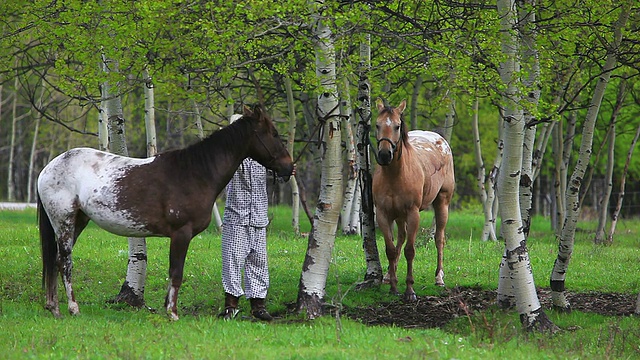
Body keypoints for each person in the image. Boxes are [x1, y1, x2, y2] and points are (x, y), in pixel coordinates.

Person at [218, 114, 273, 322]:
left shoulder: (261, 154)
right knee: (232, 260)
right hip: (237, 216)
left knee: (258, 260)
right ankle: (230, 306)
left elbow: (275, 166)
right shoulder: (229, 156)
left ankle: (258, 305)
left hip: (258, 216)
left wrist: (286, 171)